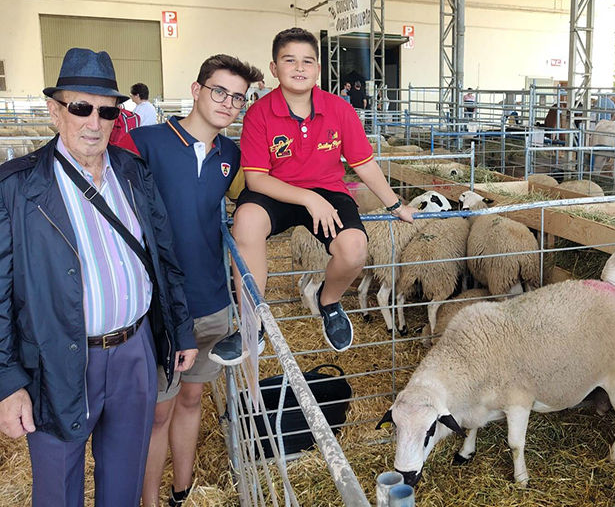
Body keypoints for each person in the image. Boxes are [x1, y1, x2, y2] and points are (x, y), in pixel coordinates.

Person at [0, 48, 196, 507]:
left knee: (124, 481)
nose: (94, 122)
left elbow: (164, 256)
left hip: (134, 351)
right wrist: (7, 383)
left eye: (107, 111)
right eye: (81, 107)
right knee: (57, 488)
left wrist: (181, 329)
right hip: (54, 361)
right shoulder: (17, 187)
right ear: (55, 111)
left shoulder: (133, 174)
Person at [209, 28, 417, 364]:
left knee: (353, 248)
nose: (299, 67)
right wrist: (307, 198)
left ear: (319, 69)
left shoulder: (339, 110)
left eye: (308, 61)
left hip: (328, 190)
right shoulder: (259, 113)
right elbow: (257, 180)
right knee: (246, 220)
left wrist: (395, 204)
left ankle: (329, 301)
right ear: (275, 68)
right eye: (289, 60)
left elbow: (364, 164)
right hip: (276, 190)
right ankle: (253, 326)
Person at [117, 55, 263, 507]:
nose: (228, 103)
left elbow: (252, 203)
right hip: (159, 304)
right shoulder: (144, 142)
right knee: (157, 412)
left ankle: (181, 492)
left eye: (238, 97)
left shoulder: (231, 155)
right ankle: (149, 501)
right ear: (197, 90)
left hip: (212, 301)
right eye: (220, 91)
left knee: (192, 400)